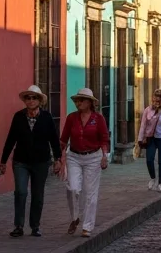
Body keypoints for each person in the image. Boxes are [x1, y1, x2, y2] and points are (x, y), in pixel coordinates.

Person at [0, 85, 63, 238]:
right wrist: (3, 161)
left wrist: (58, 159)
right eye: (28, 98)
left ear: (39, 100)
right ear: (25, 100)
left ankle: (35, 226)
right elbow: (11, 139)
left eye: (34, 98)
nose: (31, 100)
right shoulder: (18, 117)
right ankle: (18, 226)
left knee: (37, 195)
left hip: (41, 162)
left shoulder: (47, 117)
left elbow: (54, 140)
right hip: (21, 161)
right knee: (21, 192)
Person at [59, 88, 110, 237]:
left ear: (90, 102)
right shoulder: (71, 118)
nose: (78, 103)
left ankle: (87, 227)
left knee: (90, 193)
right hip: (74, 156)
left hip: (93, 157)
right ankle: (75, 217)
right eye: (77, 100)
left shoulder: (98, 119)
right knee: (73, 188)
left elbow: (104, 139)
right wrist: (60, 159)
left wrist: (104, 156)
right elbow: (63, 139)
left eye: (81, 100)